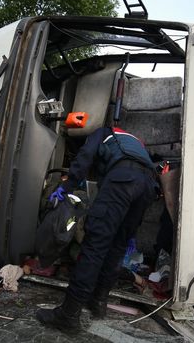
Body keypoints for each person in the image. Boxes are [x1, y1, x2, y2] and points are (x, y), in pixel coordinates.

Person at [35, 126, 159, 330]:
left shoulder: (102, 132)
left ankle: (68, 315)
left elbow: (85, 156)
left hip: (123, 180)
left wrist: (66, 186)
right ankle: (98, 302)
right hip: (147, 187)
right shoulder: (131, 141)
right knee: (117, 248)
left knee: (94, 247)